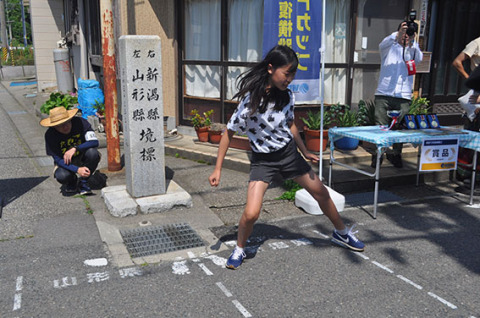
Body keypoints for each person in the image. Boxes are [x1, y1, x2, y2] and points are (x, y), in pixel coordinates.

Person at [208, 45, 365, 270]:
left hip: (289, 154)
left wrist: (304, 151)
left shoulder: (287, 96)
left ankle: (342, 233)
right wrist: (217, 169)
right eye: (287, 73)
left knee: (320, 192)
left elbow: (290, 124)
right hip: (263, 161)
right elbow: (228, 133)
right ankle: (239, 248)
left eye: (293, 74)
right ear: (271, 69)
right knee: (251, 213)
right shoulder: (251, 101)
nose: (289, 79)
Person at [372, 20, 423, 168]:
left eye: (409, 33)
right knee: (380, 126)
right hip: (384, 92)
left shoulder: (413, 50)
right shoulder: (389, 46)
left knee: (399, 127)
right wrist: (399, 33)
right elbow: (382, 44)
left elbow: (419, 59)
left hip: (404, 96)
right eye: (404, 33)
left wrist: (412, 42)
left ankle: (396, 155)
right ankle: (378, 155)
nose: (405, 36)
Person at [40, 106, 100, 196]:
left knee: (93, 153)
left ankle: (84, 182)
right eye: (60, 125)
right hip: (65, 162)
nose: (65, 127)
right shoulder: (50, 135)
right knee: (62, 176)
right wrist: (77, 169)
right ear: (54, 126)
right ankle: (72, 181)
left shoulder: (81, 122)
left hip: (83, 156)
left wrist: (76, 148)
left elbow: (94, 142)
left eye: (67, 122)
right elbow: (58, 159)